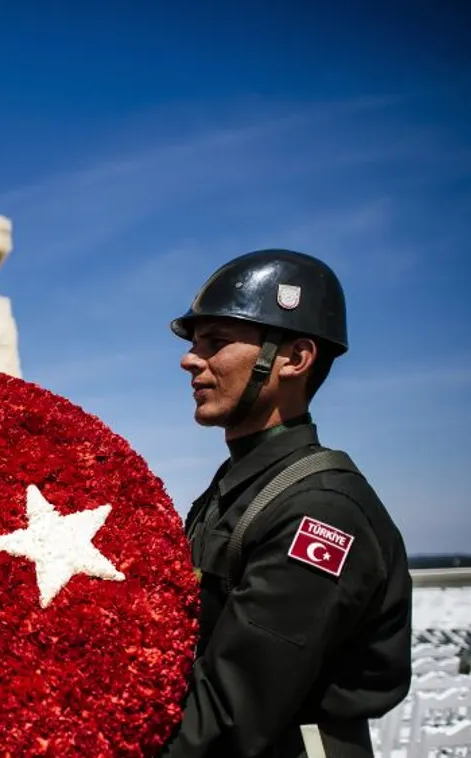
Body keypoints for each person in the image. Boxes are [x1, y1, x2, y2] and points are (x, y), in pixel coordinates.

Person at [159, 249, 412, 758]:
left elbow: (230, 714)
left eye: (216, 342)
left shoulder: (319, 510)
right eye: (194, 343)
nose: (189, 359)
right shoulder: (243, 486)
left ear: (295, 359)